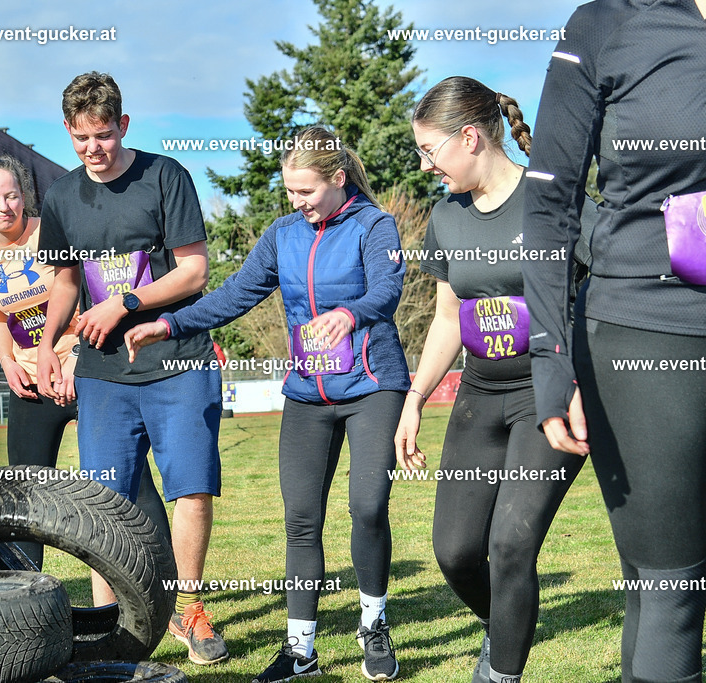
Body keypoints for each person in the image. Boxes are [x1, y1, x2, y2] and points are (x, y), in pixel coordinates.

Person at [127, 125, 409, 682]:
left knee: (368, 507)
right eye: (289, 192)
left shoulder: (376, 226)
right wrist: (167, 323)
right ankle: (300, 648)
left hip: (373, 386)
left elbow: (387, 289)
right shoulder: (283, 235)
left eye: (306, 191)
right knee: (301, 520)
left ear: (338, 178)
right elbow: (234, 294)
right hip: (307, 393)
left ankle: (373, 624)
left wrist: (349, 314)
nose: (297, 202)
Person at [522, 2, 706, 680]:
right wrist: (552, 362)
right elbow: (548, 203)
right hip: (648, 331)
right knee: (673, 591)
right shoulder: (609, 22)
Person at [395, 76, 592, 683]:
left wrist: (584, 383)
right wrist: (415, 398)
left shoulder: (550, 199)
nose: (426, 165)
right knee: (455, 553)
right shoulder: (447, 216)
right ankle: (504, 625)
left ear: (471, 137)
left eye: (431, 150)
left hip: (548, 393)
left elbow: (596, 297)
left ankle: (501, 672)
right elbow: (450, 315)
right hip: (480, 395)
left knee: (511, 544)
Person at [35, 72, 227, 665]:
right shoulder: (62, 197)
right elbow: (66, 281)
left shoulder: (167, 177)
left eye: (103, 135)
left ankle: (190, 610)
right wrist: (48, 343)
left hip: (177, 361)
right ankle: (114, 627)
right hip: (102, 374)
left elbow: (195, 272)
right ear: (68, 131)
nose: (94, 148)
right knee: (103, 503)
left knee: (190, 488)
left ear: (123, 124)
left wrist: (128, 301)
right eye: (81, 137)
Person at [0, 154, 171, 571]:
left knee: (126, 482)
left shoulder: (53, 234)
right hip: (32, 387)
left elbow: (87, 294)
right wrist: (7, 364)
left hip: (87, 371)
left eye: (12, 196)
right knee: (24, 493)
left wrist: (76, 357)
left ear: (25, 197)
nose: (5, 207)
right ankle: (24, 596)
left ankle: (166, 584)